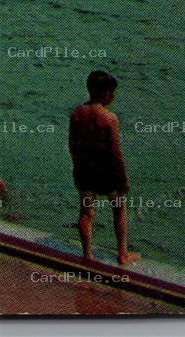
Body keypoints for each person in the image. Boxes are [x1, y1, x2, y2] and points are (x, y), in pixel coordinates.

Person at [70, 70, 137, 265]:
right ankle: (122, 254)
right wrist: (123, 178)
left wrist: (77, 163)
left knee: (86, 211)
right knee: (118, 207)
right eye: (112, 93)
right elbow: (115, 152)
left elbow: (72, 144)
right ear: (106, 93)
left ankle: (87, 255)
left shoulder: (77, 113)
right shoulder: (109, 118)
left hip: (84, 165)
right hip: (105, 168)